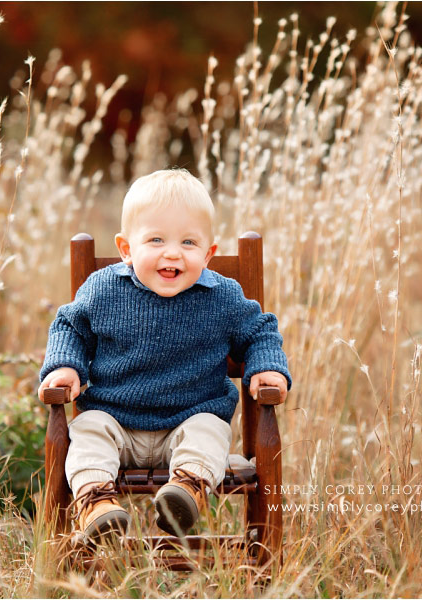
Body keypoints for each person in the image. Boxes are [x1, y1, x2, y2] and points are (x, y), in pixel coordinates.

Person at [38, 168, 291, 540]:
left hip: (189, 419)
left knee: (210, 432)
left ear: (208, 253)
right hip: (115, 420)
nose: (172, 253)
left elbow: (260, 330)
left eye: (188, 243)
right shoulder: (104, 289)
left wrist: (267, 368)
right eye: (155, 240)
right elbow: (70, 326)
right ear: (126, 249)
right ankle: (96, 503)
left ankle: (186, 492)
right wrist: (65, 366)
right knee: (87, 433)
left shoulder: (222, 296)